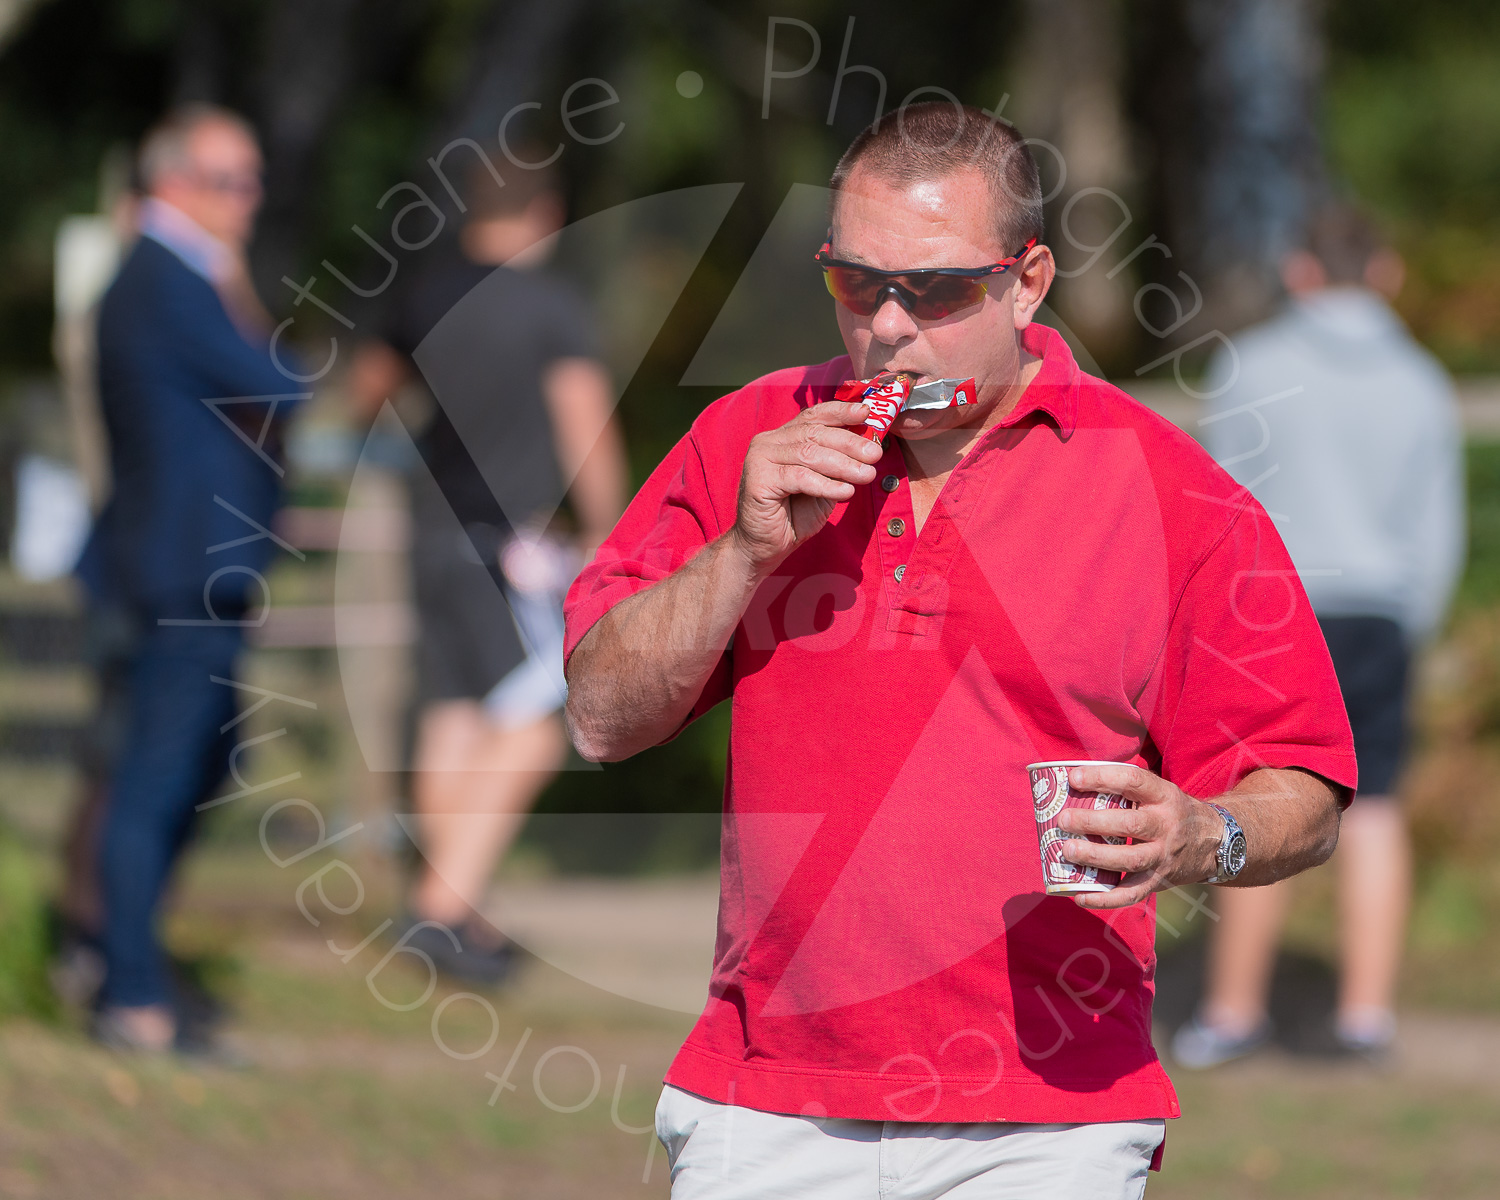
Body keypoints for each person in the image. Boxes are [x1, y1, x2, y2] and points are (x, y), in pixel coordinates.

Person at [563, 101, 1357, 1199]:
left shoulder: (1176, 493)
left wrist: (1201, 836)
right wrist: (744, 554)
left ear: (1026, 282)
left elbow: (1304, 784)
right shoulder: (753, 433)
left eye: (935, 290)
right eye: (855, 282)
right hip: (770, 1099)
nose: (889, 325)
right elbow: (601, 717)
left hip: (1052, 1119)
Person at [1173, 206, 1465, 1067]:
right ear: (1387, 273)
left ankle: (1230, 1014)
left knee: (1257, 798)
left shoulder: (1249, 366)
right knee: (1374, 808)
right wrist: (1412, 619)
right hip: (1380, 612)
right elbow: (1436, 528)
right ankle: (1365, 1016)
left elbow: (1216, 502)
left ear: (1301, 272)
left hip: (1272, 611)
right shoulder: (1421, 380)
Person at [347, 153, 626, 982]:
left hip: (430, 530)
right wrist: (610, 530)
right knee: (537, 728)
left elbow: (368, 389)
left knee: (452, 717)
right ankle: (438, 913)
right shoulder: (550, 307)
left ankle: (461, 918)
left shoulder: (426, 293)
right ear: (545, 211)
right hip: (515, 545)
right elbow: (585, 422)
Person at [75, 104, 299, 1053]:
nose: (246, 201)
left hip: (189, 568)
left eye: (251, 180)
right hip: (180, 571)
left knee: (201, 763)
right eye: (226, 180)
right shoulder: (171, 278)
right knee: (158, 777)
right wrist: (239, 282)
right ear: (172, 184)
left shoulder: (165, 275)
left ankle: (116, 953)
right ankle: (127, 988)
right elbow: (281, 384)